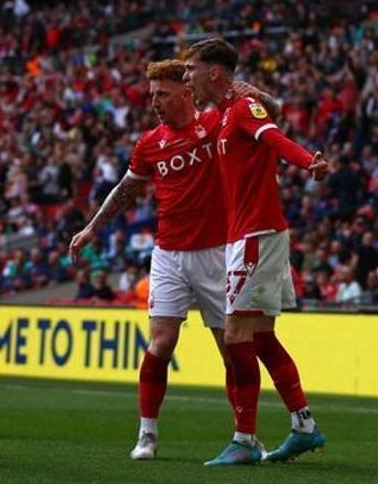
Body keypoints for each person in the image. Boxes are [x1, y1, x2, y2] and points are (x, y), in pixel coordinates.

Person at [70, 59, 280, 461]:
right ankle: (147, 434)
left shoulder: (217, 121)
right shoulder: (150, 142)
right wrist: (93, 228)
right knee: (161, 342)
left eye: (163, 94)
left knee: (232, 351)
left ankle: (244, 436)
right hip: (168, 254)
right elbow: (126, 189)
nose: (155, 103)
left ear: (186, 93)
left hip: (218, 253)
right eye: (152, 95)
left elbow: (273, 115)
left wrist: (254, 93)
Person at [184, 37, 329, 466]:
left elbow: (274, 137)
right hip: (248, 234)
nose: (188, 76)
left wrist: (309, 163)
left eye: (192, 68)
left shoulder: (245, 109)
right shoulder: (226, 112)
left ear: (214, 71)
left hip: (256, 235)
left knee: (235, 337)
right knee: (261, 337)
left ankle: (244, 439)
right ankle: (304, 427)